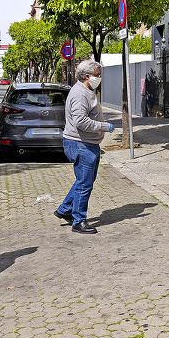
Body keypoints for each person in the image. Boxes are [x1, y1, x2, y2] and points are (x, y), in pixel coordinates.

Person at [54, 60, 115, 234]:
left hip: (87, 143)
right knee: (84, 183)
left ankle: (65, 209)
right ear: (87, 76)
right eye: (97, 74)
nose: (99, 77)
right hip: (81, 144)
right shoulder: (80, 94)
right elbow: (81, 121)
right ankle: (78, 221)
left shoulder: (87, 91)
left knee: (85, 180)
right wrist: (104, 127)